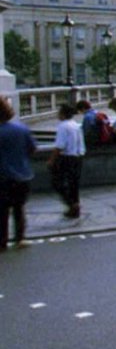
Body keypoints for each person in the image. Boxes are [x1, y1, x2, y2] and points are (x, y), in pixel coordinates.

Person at [0, 96, 36, 250]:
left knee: (2, 211)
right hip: (23, 175)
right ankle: (20, 238)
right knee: (19, 208)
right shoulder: (22, 129)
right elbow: (32, 148)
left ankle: (2, 242)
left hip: (2, 177)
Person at [49, 103, 86, 219]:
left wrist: (51, 160)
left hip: (67, 158)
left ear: (63, 114)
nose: (57, 114)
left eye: (59, 112)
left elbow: (60, 146)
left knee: (57, 183)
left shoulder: (63, 126)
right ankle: (75, 207)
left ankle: (72, 205)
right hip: (78, 157)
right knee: (74, 184)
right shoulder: (76, 125)